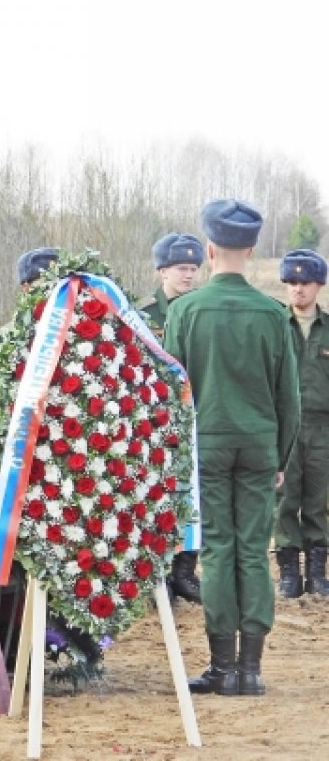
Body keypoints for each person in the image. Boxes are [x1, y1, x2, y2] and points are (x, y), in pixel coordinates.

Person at [165, 199, 300, 698]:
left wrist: (179, 452)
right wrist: (281, 457)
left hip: (208, 444)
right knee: (252, 550)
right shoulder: (272, 314)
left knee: (219, 548)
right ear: (252, 249)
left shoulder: (184, 311)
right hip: (261, 443)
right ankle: (251, 669)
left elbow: (173, 393)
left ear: (208, 249)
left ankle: (222, 666)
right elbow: (291, 396)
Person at [141, 233, 206, 605]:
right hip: (156, 419)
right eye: (182, 268)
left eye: (194, 269)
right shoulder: (144, 314)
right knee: (159, 497)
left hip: (195, 416)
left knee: (193, 493)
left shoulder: (202, 308)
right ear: (162, 270)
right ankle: (159, 574)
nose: (188, 275)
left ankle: (185, 571)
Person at [272, 249, 329, 599]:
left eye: (305, 282)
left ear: (319, 285)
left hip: (323, 428)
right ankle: (289, 573)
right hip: (285, 428)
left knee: (319, 499)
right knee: (284, 498)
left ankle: (318, 574)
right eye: (291, 283)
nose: (298, 290)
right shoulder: (275, 327)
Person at [0, 247, 59, 406]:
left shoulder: (77, 333)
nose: (51, 291)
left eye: (56, 285)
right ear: (26, 288)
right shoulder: (0, 339)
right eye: (44, 285)